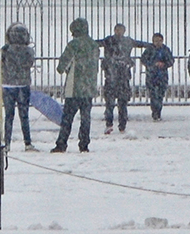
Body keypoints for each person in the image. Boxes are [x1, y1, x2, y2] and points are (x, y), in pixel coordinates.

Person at [53, 18, 99, 153]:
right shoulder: (93, 45)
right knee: (85, 118)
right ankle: (84, 143)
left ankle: (62, 143)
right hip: (89, 87)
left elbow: (62, 66)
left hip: (74, 88)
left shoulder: (73, 44)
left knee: (67, 118)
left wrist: (63, 68)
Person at [0, 24, 36, 148]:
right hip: (23, 85)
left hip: (8, 85)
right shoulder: (28, 51)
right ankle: (27, 142)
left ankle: (7, 142)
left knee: (8, 116)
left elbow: (0, 63)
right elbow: (29, 64)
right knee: (24, 115)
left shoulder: (5, 49)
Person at [100, 24, 137, 135]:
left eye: (121, 30)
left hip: (121, 77)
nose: (119, 32)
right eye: (117, 30)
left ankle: (122, 125)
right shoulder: (109, 40)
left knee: (122, 103)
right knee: (110, 103)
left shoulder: (126, 41)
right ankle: (109, 124)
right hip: (112, 76)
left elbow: (141, 44)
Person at [142, 33, 174, 121]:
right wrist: (152, 64)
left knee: (160, 95)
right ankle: (155, 112)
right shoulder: (149, 50)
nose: (158, 43)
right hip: (152, 76)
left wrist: (164, 64)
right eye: (156, 41)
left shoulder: (165, 49)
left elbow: (171, 60)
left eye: (160, 41)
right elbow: (143, 60)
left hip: (162, 76)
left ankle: (158, 112)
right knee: (153, 95)